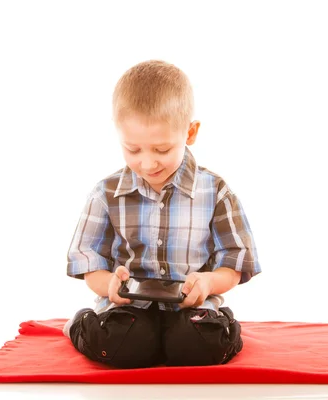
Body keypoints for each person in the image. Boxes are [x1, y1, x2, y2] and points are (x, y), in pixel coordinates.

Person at [63, 60, 261, 369]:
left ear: (190, 132)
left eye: (162, 149)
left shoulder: (216, 191)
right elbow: (90, 263)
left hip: (191, 309)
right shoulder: (105, 193)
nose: (147, 163)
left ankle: (209, 329)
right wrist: (110, 287)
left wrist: (208, 283)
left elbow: (235, 261)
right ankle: (80, 324)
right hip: (129, 310)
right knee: (124, 348)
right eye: (133, 149)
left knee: (198, 348)